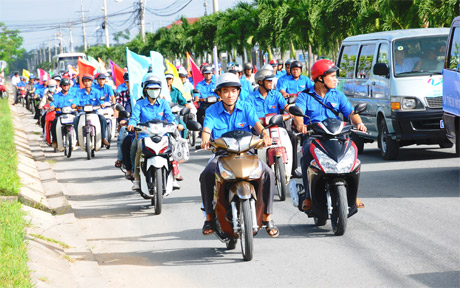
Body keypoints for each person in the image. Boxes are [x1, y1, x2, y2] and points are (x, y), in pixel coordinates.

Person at [199, 73, 279, 237]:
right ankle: (209, 217)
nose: (230, 94)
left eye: (233, 91)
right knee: (206, 174)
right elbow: (207, 128)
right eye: (225, 91)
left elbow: (257, 125)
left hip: (247, 153)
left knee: (269, 174)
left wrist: (265, 135)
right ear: (219, 93)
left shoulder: (246, 107)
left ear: (238, 92)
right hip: (222, 154)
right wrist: (205, 139)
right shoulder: (212, 110)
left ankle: (267, 216)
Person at [293, 59, 367, 211]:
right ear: (320, 78)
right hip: (315, 136)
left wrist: (359, 123)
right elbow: (298, 114)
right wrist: (301, 125)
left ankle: (353, 194)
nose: (335, 79)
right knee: (306, 153)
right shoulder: (304, 96)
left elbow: (351, 113)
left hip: (337, 135)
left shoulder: (338, 95)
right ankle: (308, 196)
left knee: (353, 153)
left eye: (335, 76)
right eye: (332, 76)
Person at [127, 74, 183, 191]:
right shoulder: (140, 104)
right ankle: (136, 178)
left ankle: (174, 176)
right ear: (145, 90)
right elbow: (134, 117)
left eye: (156, 89)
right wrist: (131, 124)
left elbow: (170, 117)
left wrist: (176, 124)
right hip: (145, 135)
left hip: (163, 135)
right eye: (151, 89)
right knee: (136, 149)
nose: (154, 91)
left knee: (172, 149)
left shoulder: (163, 103)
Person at [246, 68, 302, 179]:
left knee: (293, 138)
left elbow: (285, 107)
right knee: (250, 147)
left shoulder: (276, 95)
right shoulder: (250, 98)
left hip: (276, 126)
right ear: (261, 82)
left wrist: (291, 112)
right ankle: (254, 172)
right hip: (260, 128)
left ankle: (293, 169)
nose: (272, 83)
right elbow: (248, 114)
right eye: (269, 81)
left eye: (272, 81)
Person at [73, 74, 110, 147]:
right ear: (83, 83)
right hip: (83, 113)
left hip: (94, 112)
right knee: (75, 120)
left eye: (89, 81)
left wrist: (102, 104)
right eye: (85, 81)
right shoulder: (79, 92)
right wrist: (74, 105)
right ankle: (78, 139)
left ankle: (103, 138)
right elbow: (75, 101)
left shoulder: (96, 92)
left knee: (102, 119)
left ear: (92, 82)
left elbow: (100, 101)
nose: (87, 83)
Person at [49, 78, 78, 147]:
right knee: (54, 123)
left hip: (71, 114)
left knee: (78, 122)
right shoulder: (56, 95)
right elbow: (53, 103)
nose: (65, 87)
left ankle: (78, 140)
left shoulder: (73, 95)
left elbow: (76, 101)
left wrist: (75, 104)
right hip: (60, 114)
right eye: (64, 85)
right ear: (61, 86)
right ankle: (55, 140)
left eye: (67, 85)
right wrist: (52, 106)